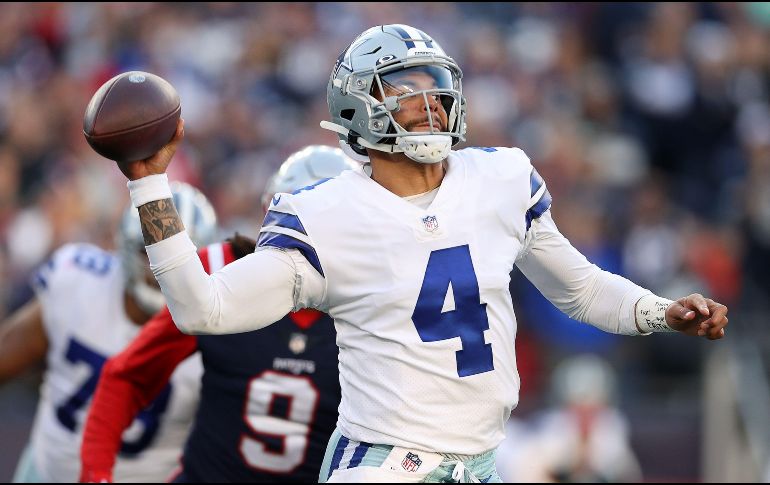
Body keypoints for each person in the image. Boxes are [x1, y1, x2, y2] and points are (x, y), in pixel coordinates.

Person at [110, 24, 729, 483]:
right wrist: (148, 184)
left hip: (482, 460)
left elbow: (582, 289)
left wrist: (661, 311)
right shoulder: (322, 214)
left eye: (436, 88)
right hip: (382, 464)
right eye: (408, 90)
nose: (431, 103)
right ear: (361, 106)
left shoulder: (502, 178)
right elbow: (204, 311)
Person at [79, 146, 357, 483]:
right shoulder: (223, 271)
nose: (307, 237)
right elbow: (129, 377)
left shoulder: (374, 299)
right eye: (295, 218)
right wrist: (97, 475)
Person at [0, 183, 217, 483]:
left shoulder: (216, 334)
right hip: (45, 473)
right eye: (148, 251)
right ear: (124, 244)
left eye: (179, 258)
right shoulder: (76, 281)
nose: (159, 269)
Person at [496, 354, 642, 482]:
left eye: (593, 408)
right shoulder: (552, 425)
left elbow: (619, 470)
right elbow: (542, 470)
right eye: (578, 406)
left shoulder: (612, 424)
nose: (585, 413)